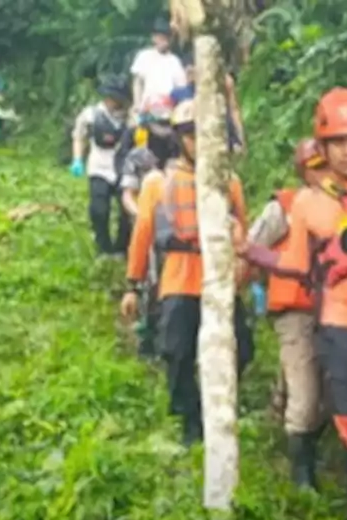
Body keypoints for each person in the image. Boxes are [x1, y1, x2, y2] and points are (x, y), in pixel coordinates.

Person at [237, 89, 347, 520]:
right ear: (320, 148)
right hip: (340, 321)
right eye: (337, 142)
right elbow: (299, 263)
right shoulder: (302, 203)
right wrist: (250, 252)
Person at [120, 98, 255, 446]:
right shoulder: (158, 182)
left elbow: (244, 231)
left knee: (243, 347)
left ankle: (219, 404)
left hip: (220, 280)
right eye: (192, 135)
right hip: (180, 278)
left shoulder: (231, 183)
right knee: (177, 351)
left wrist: (246, 273)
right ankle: (190, 417)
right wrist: (133, 285)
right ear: (180, 139)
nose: (200, 143)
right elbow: (143, 234)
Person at [241, 138, 331, 491]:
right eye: (315, 168)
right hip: (294, 308)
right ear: (303, 171)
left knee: (329, 389)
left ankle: (288, 416)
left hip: (334, 309)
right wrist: (245, 292)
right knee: (306, 393)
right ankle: (301, 475)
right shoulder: (285, 207)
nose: (322, 174)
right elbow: (251, 245)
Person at [118, 95, 180, 358]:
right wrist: (142, 211)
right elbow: (127, 193)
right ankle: (148, 335)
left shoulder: (185, 154)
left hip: (177, 223)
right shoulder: (138, 156)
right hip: (147, 218)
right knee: (149, 281)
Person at [72, 79, 133, 258]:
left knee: (126, 211)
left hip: (123, 168)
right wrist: (77, 159)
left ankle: (122, 247)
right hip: (99, 166)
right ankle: (103, 246)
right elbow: (79, 136)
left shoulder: (130, 117)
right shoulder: (91, 115)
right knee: (99, 210)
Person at [170, 54, 246, 153]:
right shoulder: (180, 95)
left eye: (193, 71)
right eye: (188, 71)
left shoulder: (222, 84)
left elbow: (234, 110)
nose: (190, 74)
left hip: (223, 137)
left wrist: (241, 139)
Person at [130, 19, 187, 115]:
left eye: (166, 38)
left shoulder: (174, 61)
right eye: (160, 37)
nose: (163, 41)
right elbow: (137, 83)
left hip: (168, 109)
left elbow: (181, 87)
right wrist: (137, 103)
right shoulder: (144, 56)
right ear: (154, 38)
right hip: (146, 109)